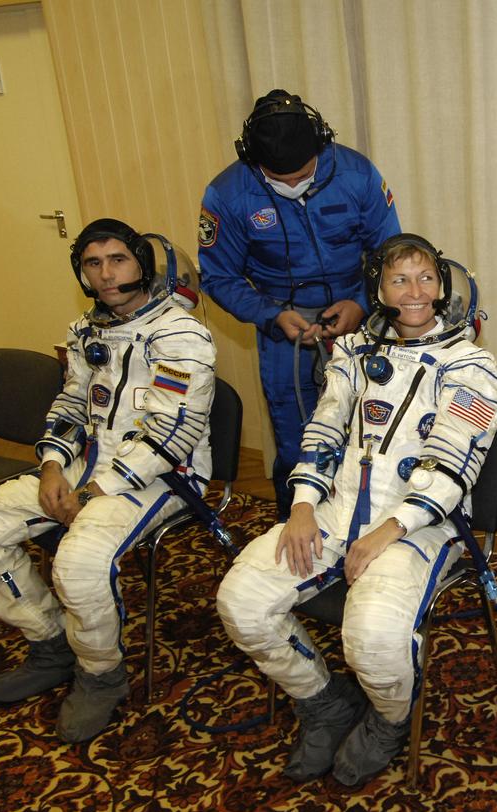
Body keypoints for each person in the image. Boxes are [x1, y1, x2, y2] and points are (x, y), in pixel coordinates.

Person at [216, 233, 497, 785]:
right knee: (242, 603)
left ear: (444, 286)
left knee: (371, 636)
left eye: (425, 278)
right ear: (379, 289)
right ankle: (325, 701)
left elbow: (451, 465)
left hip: (422, 527)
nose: (414, 291)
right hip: (335, 510)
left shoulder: (472, 367)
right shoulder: (353, 354)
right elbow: (322, 431)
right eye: (399, 279)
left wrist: (388, 531)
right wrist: (302, 506)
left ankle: (390, 720)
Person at [0, 219, 216, 744]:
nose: (106, 273)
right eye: (93, 263)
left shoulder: (181, 335)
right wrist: (52, 464)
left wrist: (97, 491)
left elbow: (175, 430)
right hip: (85, 464)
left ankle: (101, 676)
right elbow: (73, 404)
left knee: (78, 562)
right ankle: (52, 642)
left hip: (161, 475)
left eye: (117, 259)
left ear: (142, 262)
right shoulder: (87, 331)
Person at [198, 89, 401, 518]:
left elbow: (392, 255)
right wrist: (271, 316)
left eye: (302, 175)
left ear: (321, 144)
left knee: (371, 426)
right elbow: (219, 276)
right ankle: (296, 528)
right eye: (279, 178)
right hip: (282, 323)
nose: (292, 185)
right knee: (298, 437)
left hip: (357, 315)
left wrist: (363, 303)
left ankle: (368, 525)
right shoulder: (227, 194)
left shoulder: (357, 174)